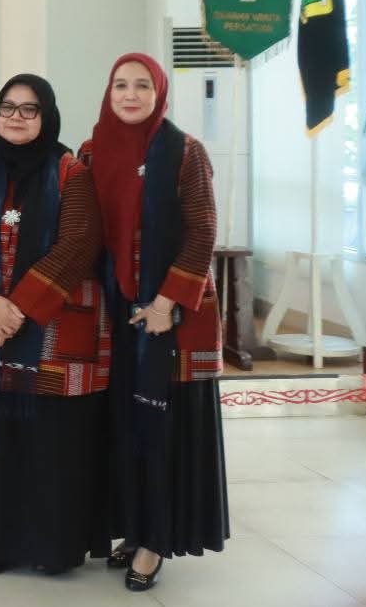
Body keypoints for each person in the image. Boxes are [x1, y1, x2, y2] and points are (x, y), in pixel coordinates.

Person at [0, 74, 109, 575]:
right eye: (7, 107)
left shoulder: (72, 173)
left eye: (29, 109)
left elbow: (78, 243)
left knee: (49, 442)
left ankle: (51, 548)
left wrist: (17, 310)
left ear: (46, 116)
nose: (15, 117)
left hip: (53, 331)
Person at [83, 53, 228, 592]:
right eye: (120, 85)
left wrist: (166, 302)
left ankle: (155, 541)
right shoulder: (92, 151)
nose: (130, 95)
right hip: (112, 315)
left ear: (159, 93)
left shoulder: (185, 151)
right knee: (121, 425)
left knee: (161, 427)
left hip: (168, 317)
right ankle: (132, 526)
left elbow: (202, 230)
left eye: (142, 85)